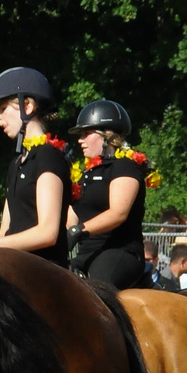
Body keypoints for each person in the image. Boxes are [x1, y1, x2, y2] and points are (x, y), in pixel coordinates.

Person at [0, 68, 68, 266]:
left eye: (2, 108)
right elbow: (5, 231)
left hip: (45, 269)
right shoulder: (17, 163)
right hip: (15, 263)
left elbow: (47, 232)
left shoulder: (48, 157)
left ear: (27, 106)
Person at [67, 100, 155, 288]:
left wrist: (77, 231)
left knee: (98, 293)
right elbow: (73, 215)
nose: (80, 140)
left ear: (107, 135)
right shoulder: (87, 174)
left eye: (86, 134)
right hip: (87, 253)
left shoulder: (125, 166)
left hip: (119, 252)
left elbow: (118, 213)